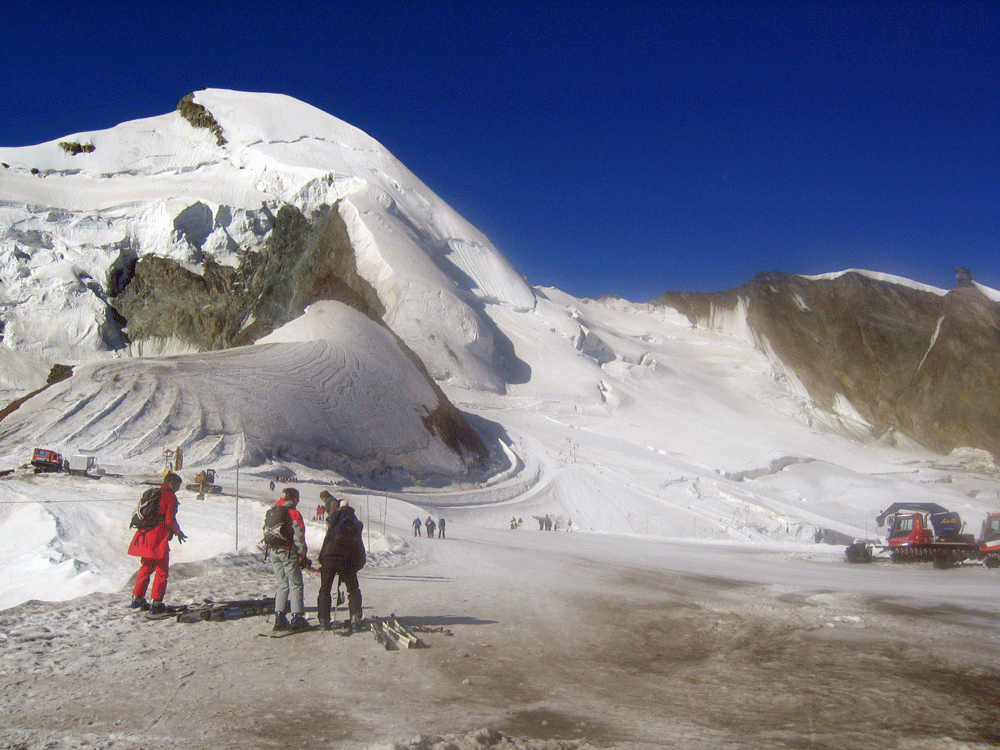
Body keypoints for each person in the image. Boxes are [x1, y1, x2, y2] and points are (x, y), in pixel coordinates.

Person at [128, 472, 186, 614]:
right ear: (171, 483)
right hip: (158, 538)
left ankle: (137, 599)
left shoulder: (155, 493)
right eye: (177, 485)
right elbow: (169, 520)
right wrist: (178, 531)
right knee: (162, 571)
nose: (178, 488)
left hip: (145, 535)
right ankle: (156, 603)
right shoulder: (169, 497)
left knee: (146, 567)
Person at [317, 498, 366, 632]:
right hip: (348, 559)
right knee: (353, 589)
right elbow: (359, 548)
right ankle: (355, 619)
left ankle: (324, 620)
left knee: (325, 589)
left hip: (329, 557)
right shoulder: (355, 524)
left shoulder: (333, 521)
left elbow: (326, 543)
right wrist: (356, 566)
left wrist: (323, 561)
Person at [266, 487, 309, 632]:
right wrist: (302, 554)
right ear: (295, 498)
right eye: (298, 499)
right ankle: (297, 618)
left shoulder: (274, 510)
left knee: (282, 584)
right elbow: (299, 536)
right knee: (296, 583)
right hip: (287, 551)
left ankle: (279, 618)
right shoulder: (293, 512)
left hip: (273, 551)